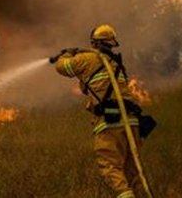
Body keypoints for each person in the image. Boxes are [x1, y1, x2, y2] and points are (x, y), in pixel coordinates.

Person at [50, 24, 153, 198]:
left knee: (110, 167)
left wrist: (66, 54)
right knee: (132, 171)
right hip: (132, 122)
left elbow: (62, 67)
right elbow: (98, 86)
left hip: (110, 123)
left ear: (94, 43)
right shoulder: (115, 63)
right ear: (112, 43)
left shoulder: (88, 59)